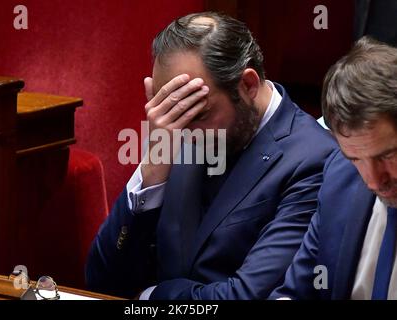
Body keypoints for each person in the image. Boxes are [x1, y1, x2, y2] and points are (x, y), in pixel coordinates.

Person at [85, 11, 336, 300]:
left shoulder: (314, 160)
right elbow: (102, 280)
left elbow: (248, 296)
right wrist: (153, 167)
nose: (186, 132)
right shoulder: (177, 133)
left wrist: (152, 297)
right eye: (174, 112)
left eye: (200, 113)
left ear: (249, 85)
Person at [270, 36, 397, 300]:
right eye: (355, 158)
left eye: (388, 155)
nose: (373, 181)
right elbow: (298, 290)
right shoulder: (340, 177)